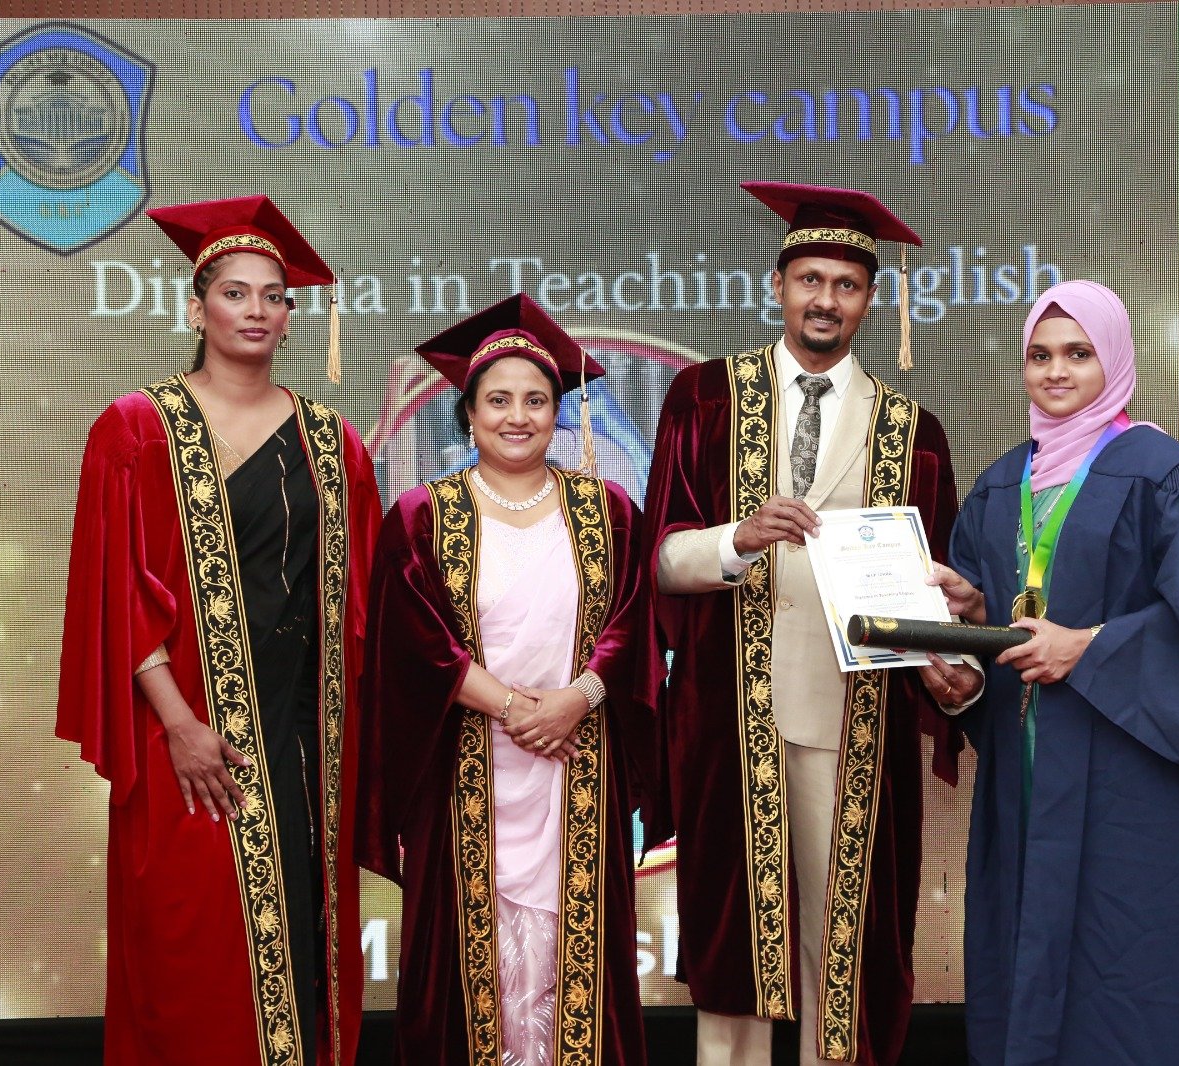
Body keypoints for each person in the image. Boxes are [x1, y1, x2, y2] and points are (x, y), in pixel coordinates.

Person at [641, 181, 981, 1066]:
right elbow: (660, 559)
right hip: (732, 718)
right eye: (810, 279)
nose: (826, 299)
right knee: (736, 947)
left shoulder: (912, 431)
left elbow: (936, 597)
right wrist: (737, 539)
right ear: (778, 285)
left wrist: (954, 672)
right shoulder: (706, 397)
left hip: (854, 720)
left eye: (847, 284)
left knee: (847, 948)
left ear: (871, 299)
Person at [947, 279, 1179, 1064]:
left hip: (1139, 790)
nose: (1056, 371)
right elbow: (997, 635)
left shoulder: (1169, 478)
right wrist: (966, 636)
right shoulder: (1000, 487)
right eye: (1040, 355)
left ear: (1113, 359)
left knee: (1144, 986)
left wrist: (1091, 648)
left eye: (1078, 353)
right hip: (1028, 782)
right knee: (1024, 968)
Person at [56, 195, 380, 1065]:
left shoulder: (332, 442)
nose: (256, 310)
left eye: (274, 296)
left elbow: (357, 609)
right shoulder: (137, 428)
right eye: (235, 293)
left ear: (291, 316)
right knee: (190, 952)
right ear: (197, 309)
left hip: (306, 741)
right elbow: (114, 594)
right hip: (186, 730)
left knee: (304, 945)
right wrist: (178, 723)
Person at [357, 293, 655, 1065]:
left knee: (575, 956)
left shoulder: (609, 511)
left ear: (560, 412)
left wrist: (576, 701)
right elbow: (415, 642)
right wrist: (520, 710)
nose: (517, 416)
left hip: (576, 763)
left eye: (535, 400)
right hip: (467, 763)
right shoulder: (423, 515)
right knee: (471, 960)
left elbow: (633, 624)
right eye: (498, 400)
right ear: (468, 413)